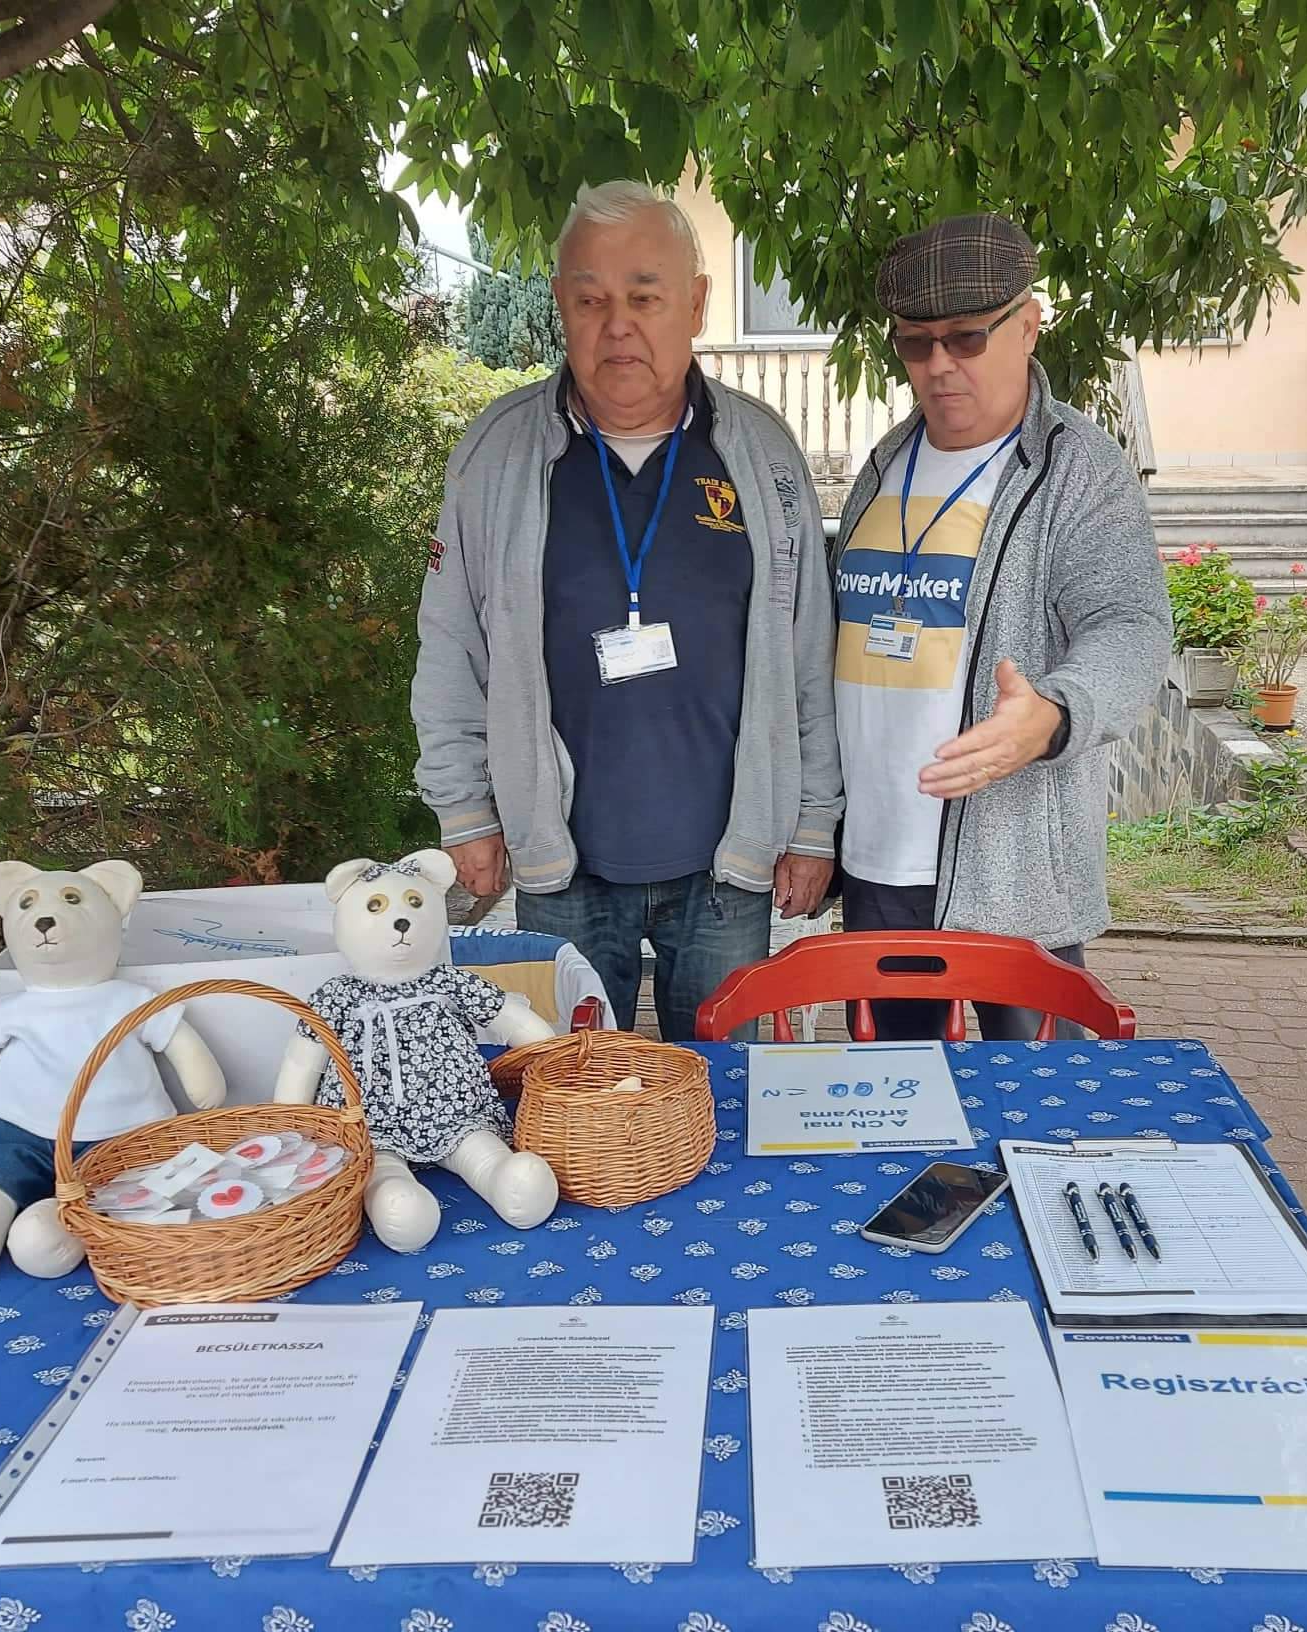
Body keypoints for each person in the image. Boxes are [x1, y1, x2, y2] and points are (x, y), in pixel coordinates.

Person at [412, 181, 840, 1040]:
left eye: (645, 298)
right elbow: (451, 643)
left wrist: (813, 823)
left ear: (696, 304)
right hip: (563, 869)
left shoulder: (761, 454)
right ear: (560, 306)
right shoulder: (497, 455)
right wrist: (465, 810)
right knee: (567, 1094)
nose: (618, 326)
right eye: (590, 299)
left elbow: (808, 650)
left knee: (726, 1092)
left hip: (728, 870)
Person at [832, 213, 1169, 1038]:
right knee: (898, 1103)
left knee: (1038, 1105)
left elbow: (1130, 625)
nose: (939, 365)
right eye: (915, 343)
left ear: (1028, 324)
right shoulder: (884, 463)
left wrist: (1054, 714)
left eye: (967, 338)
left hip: (1015, 872)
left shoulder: (1079, 468)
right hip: (879, 862)